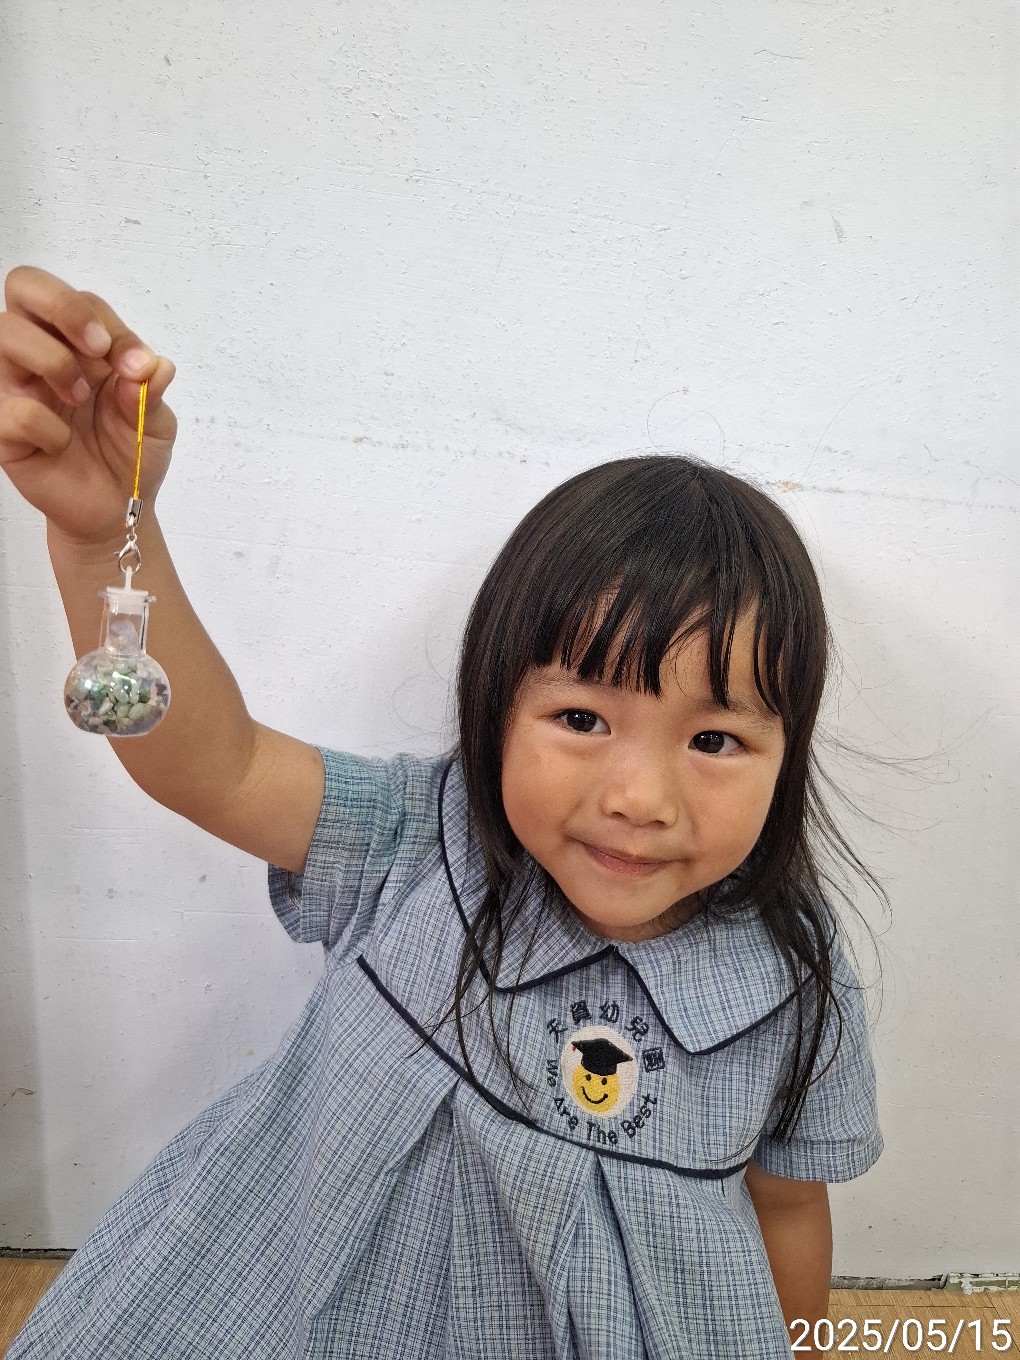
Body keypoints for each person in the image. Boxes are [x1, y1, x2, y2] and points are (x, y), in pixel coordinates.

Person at [1, 265, 882, 1360]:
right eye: (581, 717)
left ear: (787, 756)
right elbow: (215, 765)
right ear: (495, 705)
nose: (639, 799)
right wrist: (104, 535)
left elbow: (789, 1209)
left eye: (714, 740)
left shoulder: (794, 978)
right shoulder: (417, 838)